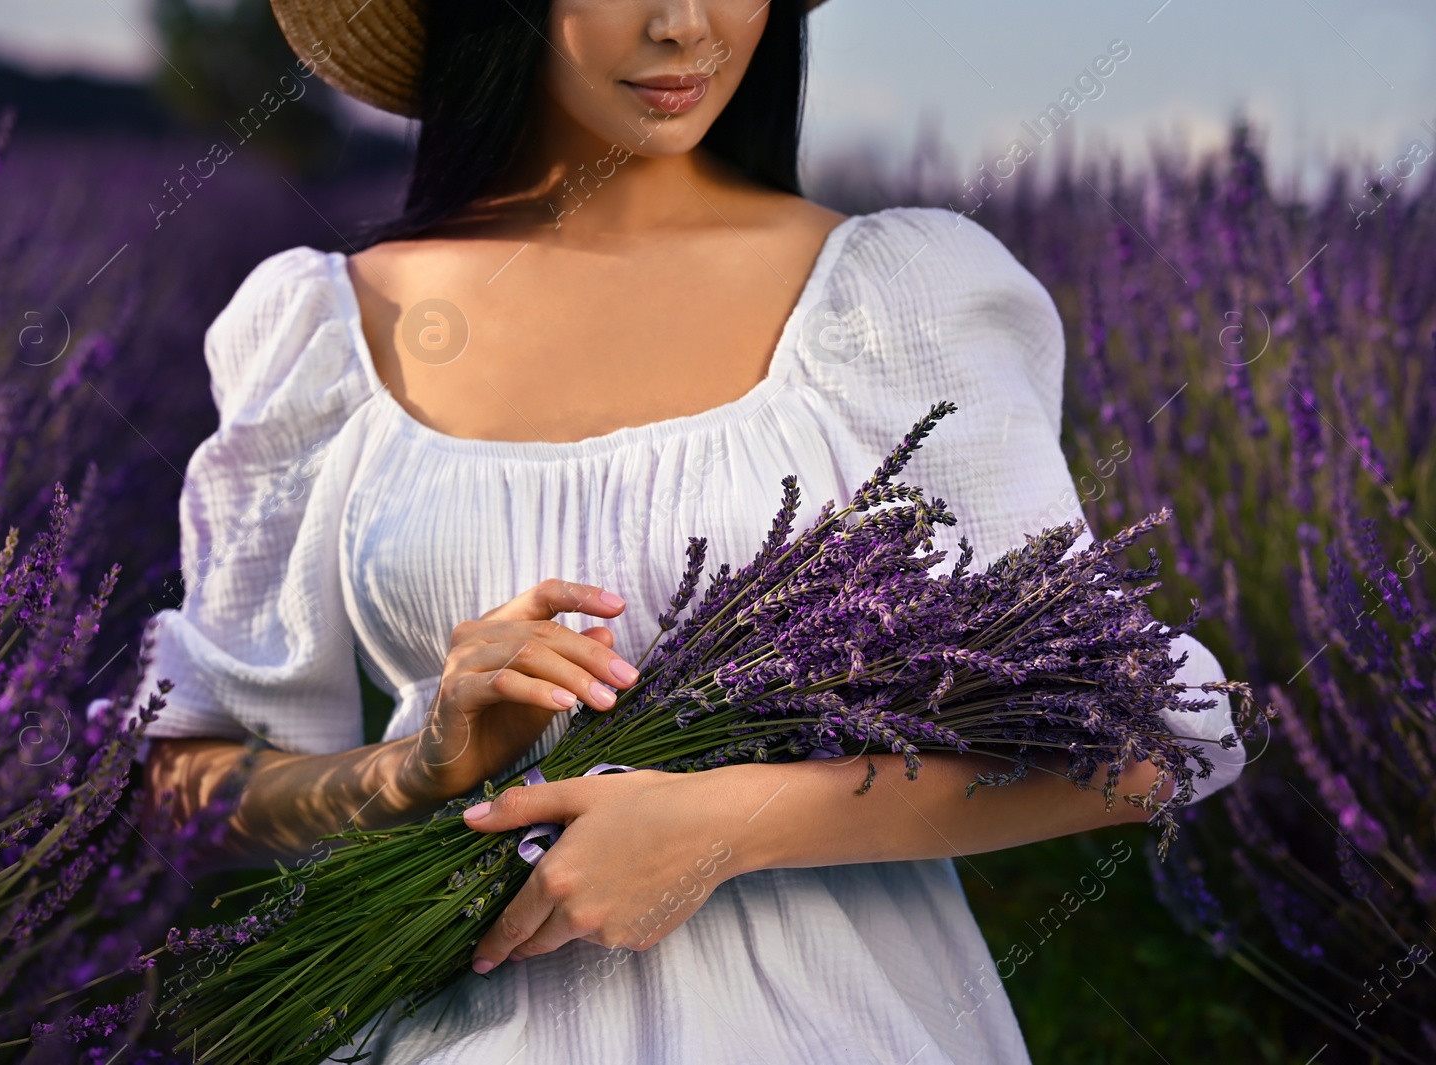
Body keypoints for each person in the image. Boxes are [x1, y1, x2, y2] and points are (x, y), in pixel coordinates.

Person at [130, 1, 1247, 1061]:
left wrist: (732, 823)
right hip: (451, 1024)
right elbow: (198, 775)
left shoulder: (899, 297)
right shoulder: (322, 327)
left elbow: (1144, 736)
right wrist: (414, 771)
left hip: (840, 1027)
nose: (685, 26)